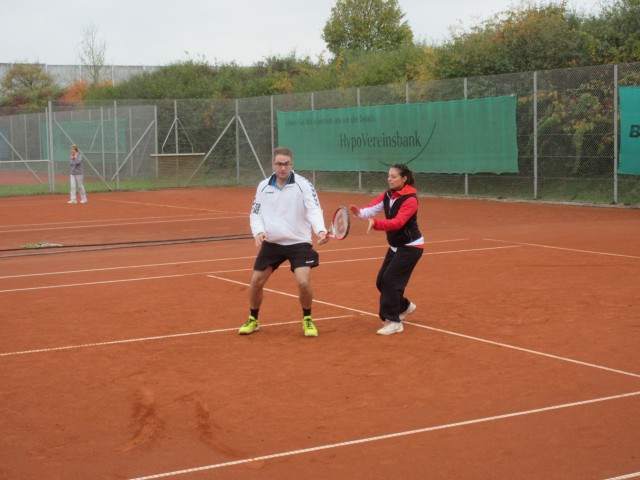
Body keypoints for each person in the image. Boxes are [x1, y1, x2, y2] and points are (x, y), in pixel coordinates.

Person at [239, 146, 330, 337]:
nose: (283, 168)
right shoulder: (263, 186)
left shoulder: (303, 185)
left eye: (286, 164)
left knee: (303, 282)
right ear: (273, 164)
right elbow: (255, 214)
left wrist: (320, 230)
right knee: (255, 282)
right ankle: (253, 319)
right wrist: (259, 231)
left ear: (292, 164)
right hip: (272, 243)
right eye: (279, 164)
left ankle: (307, 319)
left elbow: (313, 209)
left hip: (299, 242)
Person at [350, 163, 424, 335]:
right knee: (381, 282)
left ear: (404, 179)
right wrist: (359, 213)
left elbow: (397, 223)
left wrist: (376, 223)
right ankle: (404, 306)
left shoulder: (410, 200)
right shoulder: (388, 195)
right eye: (388, 176)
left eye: (393, 176)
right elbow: (372, 208)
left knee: (390, 280)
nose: (389, 179)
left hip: (411, 247)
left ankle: (393, 321)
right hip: (396, 246)